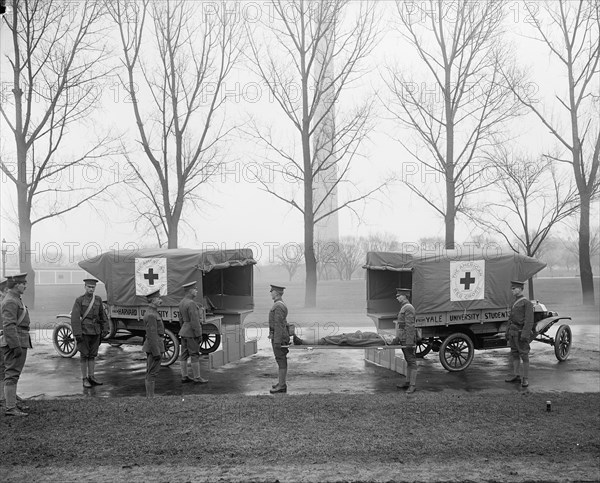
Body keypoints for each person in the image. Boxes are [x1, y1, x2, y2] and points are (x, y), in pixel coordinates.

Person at [1, 274, 32, 416]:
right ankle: (10, 408)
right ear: (15, 285)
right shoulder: (11, 301)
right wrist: (15, 346)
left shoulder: (14, 299)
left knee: (13, 374)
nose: (25, 286)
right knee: (12, 374)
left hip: (20, 339)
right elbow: (8, 326)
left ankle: (11, 403)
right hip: (15, 341)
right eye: (23, 283)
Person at [71, 278, 109, 388]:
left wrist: (105, 328)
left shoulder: (98, 299)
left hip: (96, 331)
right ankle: (84, 378)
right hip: (84, 332)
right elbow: (75, 317)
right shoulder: (79, 300)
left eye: (93, 287)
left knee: (92, 355)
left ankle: (92, 376)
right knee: (84, 355)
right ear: (85, 287)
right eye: (89, 287)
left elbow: (103, 315)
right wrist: (77, 333)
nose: (91, 289)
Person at [505, 280, 534, 387]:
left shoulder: (527, 303)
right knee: (515, 354)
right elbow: (510, 319)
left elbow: (529, 321)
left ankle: (525, 378)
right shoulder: (514, 302)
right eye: (512, 288)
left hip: (520, 332)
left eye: (515, 288)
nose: (512, 290)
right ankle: (516, 375)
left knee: (524, 355)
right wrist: (507, 332)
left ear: (521, 289)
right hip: (513, 332)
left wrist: (525, 335)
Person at [178, 281, 208, 384]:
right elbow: (195, 321)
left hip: (184, 331)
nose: (196, 291)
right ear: (190, 291)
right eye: (195, 289)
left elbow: (180, 319)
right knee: (194, 354)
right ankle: (197, 377)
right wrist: (199, 334)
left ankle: (184, 376)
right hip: (191, 333)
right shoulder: (191, 304)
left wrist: (184, 328)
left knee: (184, 355)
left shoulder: (182, 302)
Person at [142, 289, 164, 398]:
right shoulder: (151, 314)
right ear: (152, 300)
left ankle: (150, 396)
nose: (161, 300)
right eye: (158, 298)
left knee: (151, 371)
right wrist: (156, 352)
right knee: (152, 372)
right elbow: (151, 335)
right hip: (154, 347)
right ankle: (150, 397)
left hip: (154, 345)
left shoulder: (153, 312)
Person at [395, 288, 418, 393]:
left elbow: (410, 326)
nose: (397, 297)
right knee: (408, 360)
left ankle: (412, 385)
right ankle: (408, 382)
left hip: (407, 338)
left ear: (405, 296)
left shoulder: (408, 308)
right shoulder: (404, 307)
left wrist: (409, 342)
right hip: (403, 337)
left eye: (399, 295)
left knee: (412, 361)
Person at [268, 284, 290, 394]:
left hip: (279, 338)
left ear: (276, 293)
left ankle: (282, 386)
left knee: (281, 359)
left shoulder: (278, 306)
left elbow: (278, 325)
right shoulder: (279, 305)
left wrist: (277, 341)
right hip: (279, 336)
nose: (270, 292)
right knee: (280, 359)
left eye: (272, 291)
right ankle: (281, 383)